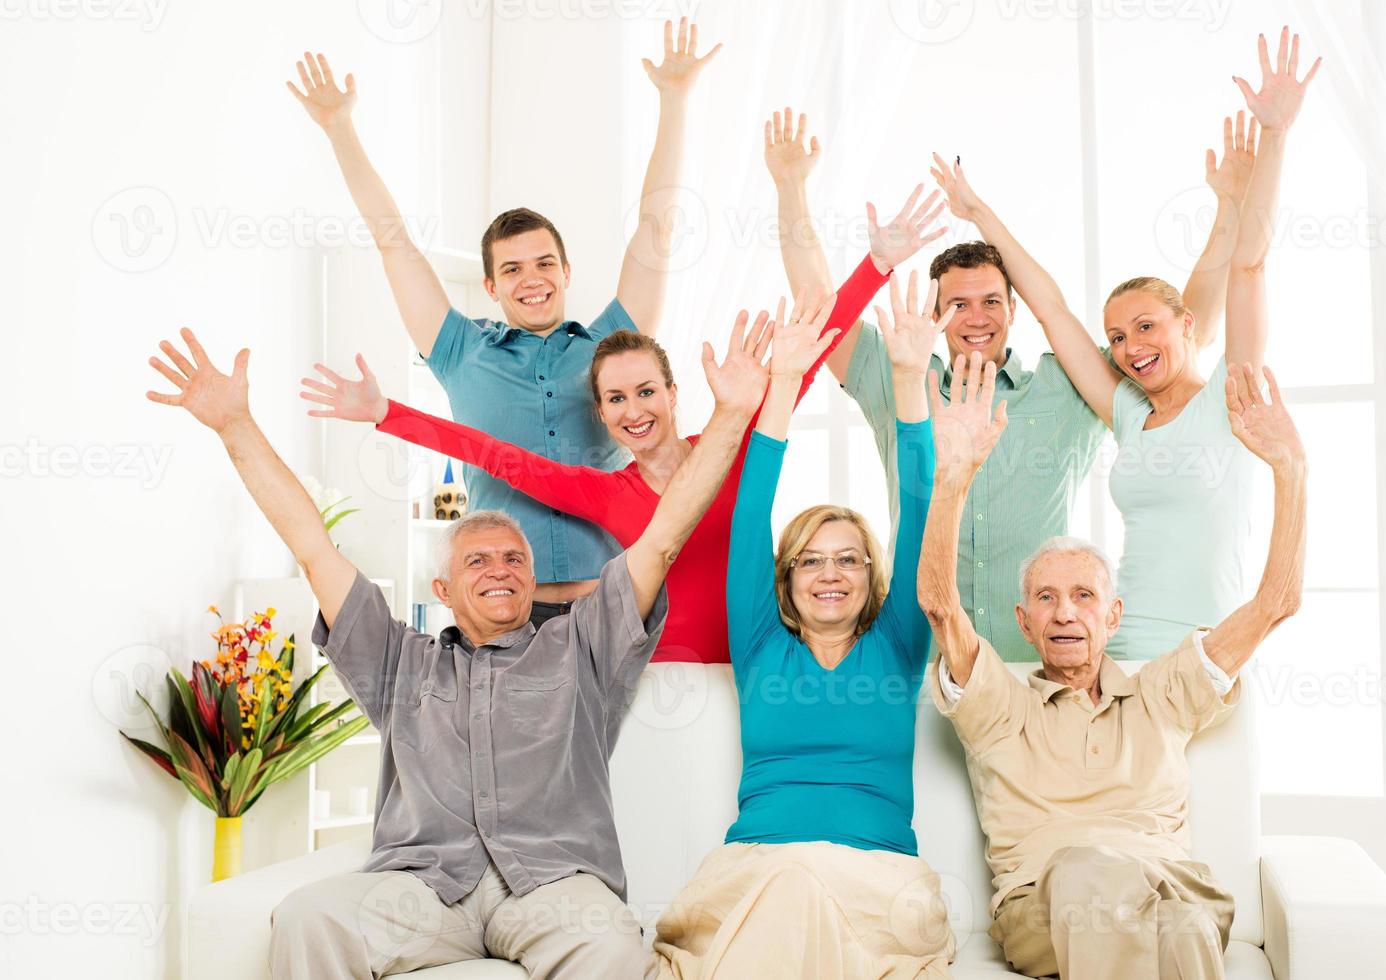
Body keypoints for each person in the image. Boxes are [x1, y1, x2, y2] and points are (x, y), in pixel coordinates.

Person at [144, 318, 769, 979]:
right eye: (478, 560)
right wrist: (234, 425)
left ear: (532, 580)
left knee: (611, 945)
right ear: (442, 586)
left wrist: (730, 415)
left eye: (513, 559)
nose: (499, 568)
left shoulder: (584, 644)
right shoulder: (398, 660)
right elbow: (313, 548)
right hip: (424, 888)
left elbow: (664, 537)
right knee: (309, 917)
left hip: (552, 887)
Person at [299, 194, 945, 664]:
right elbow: (493, 455)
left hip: (753, 669)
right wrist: (385, 412)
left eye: (645, 392)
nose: (634, 411)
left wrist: (877, 266)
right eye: (615, 399)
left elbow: (807, 360)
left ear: (673, 393)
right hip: (648, 683)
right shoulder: (607, 494)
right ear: (601, 415)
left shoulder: (731, 450)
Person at [287, 18, 719, 624]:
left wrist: (674, 102)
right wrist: (340, 130)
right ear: (490, 285)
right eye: (512, 269)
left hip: (615, 605)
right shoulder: (460, 349)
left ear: (567, 271)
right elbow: (395, 245)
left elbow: (657, 234)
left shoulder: (611, 353)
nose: (531, 278)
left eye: (544, 263)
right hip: (504, 608)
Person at [926, 27, 1319, 659]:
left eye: (1144, 327)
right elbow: (1050, 308)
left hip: (1205, 651)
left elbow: (1249, 265)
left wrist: (1274, 136)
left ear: (1186, 323)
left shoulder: (1234, 393)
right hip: (1119, 652)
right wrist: (980, 215)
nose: (1129, 346)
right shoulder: (1130, 415)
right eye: (1115, 335)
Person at [917, 356, 1307, 979]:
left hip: (1170, 890)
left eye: (1084, 596)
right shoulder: (999, 707)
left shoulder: (1163, 693)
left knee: (1181, 921)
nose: (1065, 613)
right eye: (1045, 598)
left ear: (1114, 616)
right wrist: (953, 478)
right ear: (1023, 622)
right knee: (1086, 870)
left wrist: (1291, 468)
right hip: (1046, 905)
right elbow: (939, 605)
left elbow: (1276, 603)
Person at [652, 274, 955, 978]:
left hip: (876, 879)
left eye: (848, 560)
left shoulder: (899, 646)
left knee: (804, 899)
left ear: (872, 577)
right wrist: (780, 386)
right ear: (784, 579)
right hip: (762, 870)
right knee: (790, 892)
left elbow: (918, 508)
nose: (830, 574)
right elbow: (751, 507)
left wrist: (909, 380)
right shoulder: (760, 648)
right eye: (811, 561)